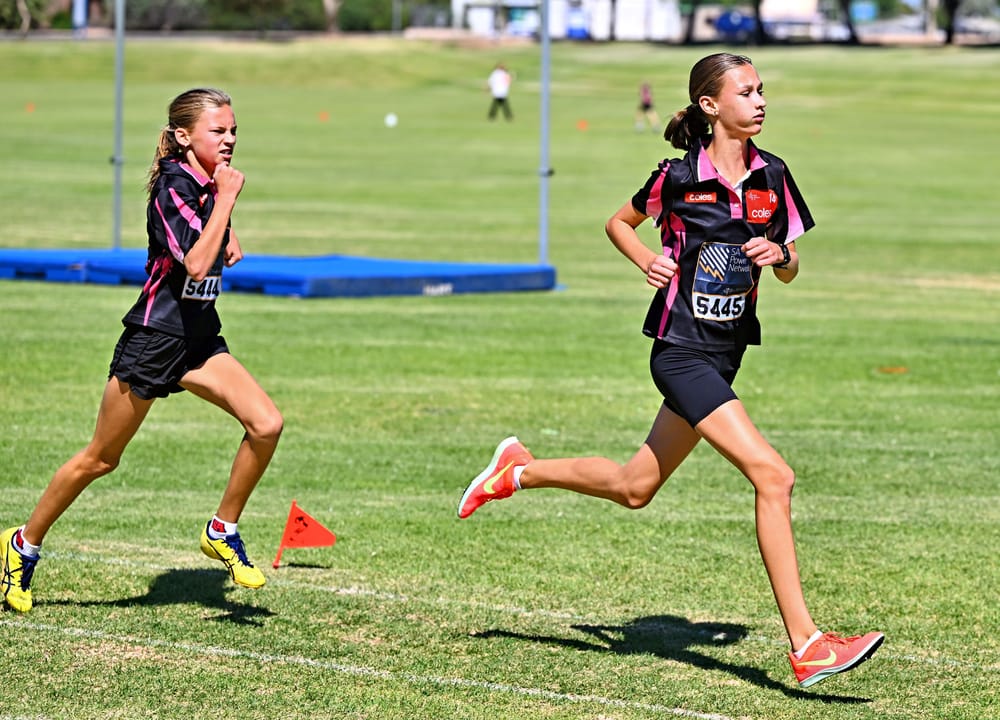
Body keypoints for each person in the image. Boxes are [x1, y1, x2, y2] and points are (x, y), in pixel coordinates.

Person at [457, 53, 884, 689]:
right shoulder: (678, 177)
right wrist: (644, 262)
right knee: (774, 474)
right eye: (746, 92)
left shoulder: (775, 174)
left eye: (762, 90)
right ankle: (809, 644)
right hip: (680, 350)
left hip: (726, 352)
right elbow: (618, 222)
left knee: (635, 487)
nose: (760, 101)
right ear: (711, 106)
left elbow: (791, 268)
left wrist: (783, 254)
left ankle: (517, 470)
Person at [1, 88, 283, 613]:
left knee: (266, 424)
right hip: (154, 340)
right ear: (183, 137)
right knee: (101, 458)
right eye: (217, 131)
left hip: (198, 339)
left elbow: (220, 247)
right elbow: (197, 265)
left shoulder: (205, 185)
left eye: (233, 130)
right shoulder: (174, 187)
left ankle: (222, 529)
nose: (229, 140)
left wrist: (225, 217)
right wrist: (226, 202)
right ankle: (21, 545)